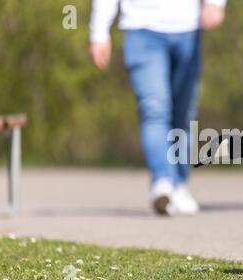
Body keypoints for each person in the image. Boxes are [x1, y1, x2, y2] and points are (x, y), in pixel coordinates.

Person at [90, 0, 227, 215]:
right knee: (154, 108)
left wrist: (215, 3)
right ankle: (162, 181)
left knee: (183, 112)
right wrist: (99, 33)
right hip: (141, 29)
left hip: (187, 29)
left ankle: (179, 183)